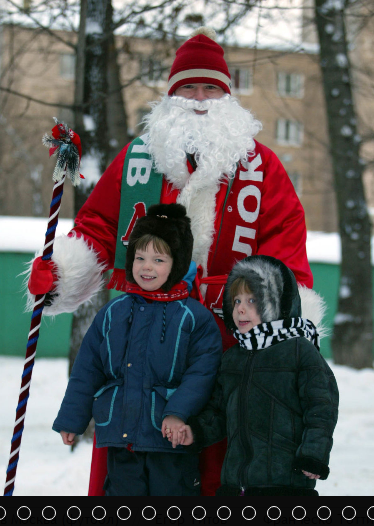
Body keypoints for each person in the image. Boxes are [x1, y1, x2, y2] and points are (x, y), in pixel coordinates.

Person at [27, 27, 313, 495]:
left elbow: (285, 247)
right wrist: (60, 272)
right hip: (142, 339)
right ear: (170, 96)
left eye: (211, 89)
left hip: (227, 341)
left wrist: (280, 330)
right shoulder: (138, 159)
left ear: (228, 96)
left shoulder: (263, 166)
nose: (200, 99)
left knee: (219, 467)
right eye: (188, 88)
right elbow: (98, 225)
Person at [52, 203, 222, 496]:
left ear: (177, 263)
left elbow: (202, 373)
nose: (146, 266)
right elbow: (88, 368)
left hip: (169, 443)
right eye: (140, 257)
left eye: (158, 259)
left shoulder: (195, 318)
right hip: (122, 439)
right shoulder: (113, 312)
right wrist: (73, 417)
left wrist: (178, 412)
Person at [172, 255, 339, 496]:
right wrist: (196, 432)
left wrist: (313, 454)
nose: (240, 308)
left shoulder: (298, 350)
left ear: (275, 303)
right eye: (236, 299)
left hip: (285, 483)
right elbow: (219, 412)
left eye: (252, 300)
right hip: (236, 483)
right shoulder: (232, 358)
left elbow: (322, 407)